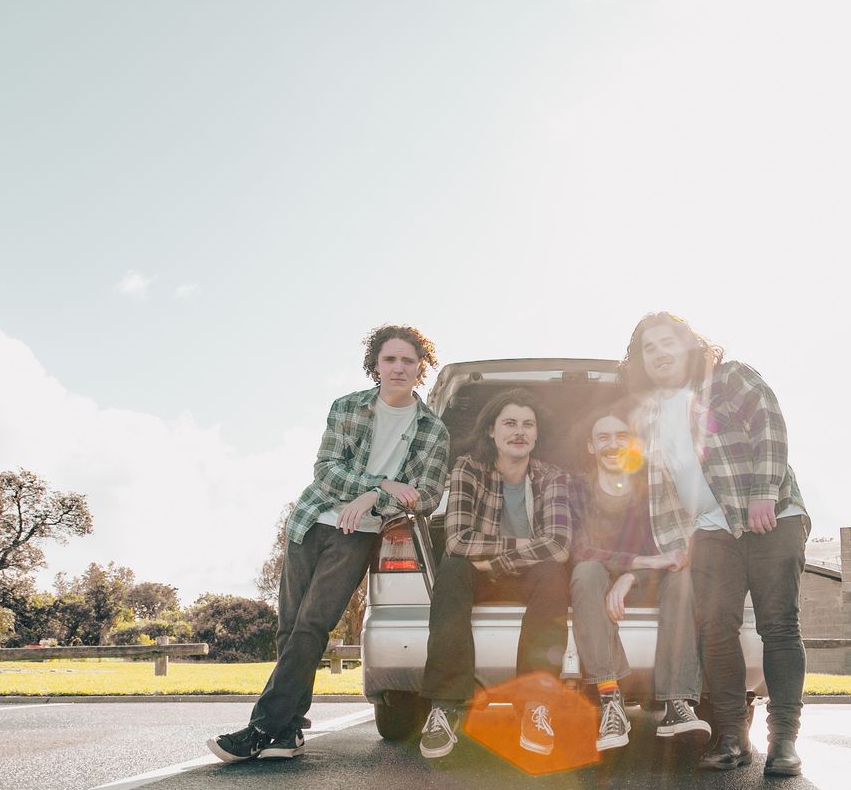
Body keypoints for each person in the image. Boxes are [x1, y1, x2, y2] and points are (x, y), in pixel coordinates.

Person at [208, 325, 449, 762]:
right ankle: (290, 731)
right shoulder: (348, 408)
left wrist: (373, 498)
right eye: (390, 359)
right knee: (290, 627)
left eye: (408, 360)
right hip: (309, 522)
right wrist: (383, 484)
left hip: (359, 534)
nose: (398, 367)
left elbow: (426, 495)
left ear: (421, 368)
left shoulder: (433, 431)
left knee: (313, 625)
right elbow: (326, 470)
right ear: (375, 365)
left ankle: (261, 728)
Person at [621, 311, 810, 776]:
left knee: (778, 625)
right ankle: (731, 738)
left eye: (668, 342)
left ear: (688, 346)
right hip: (710, 530)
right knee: (715, 629)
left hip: (770, 518)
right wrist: (674, 543)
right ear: (640, 360)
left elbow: (770, 425)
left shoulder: (729, 378)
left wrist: (765, 490)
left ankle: (783, 741)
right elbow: (661, 491)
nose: (660, 353)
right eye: (649, 347)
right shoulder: (648, 415)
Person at [418, 391, 574, 760]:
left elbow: (559, 547)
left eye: (527, 424)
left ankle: (536, 709)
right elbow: (456, 541)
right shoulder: (468, 468)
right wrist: (523, 545)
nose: (519, 432)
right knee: (452, 569)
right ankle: (444, 707)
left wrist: (496, 561)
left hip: (515, 573)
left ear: (536, 434)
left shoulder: (553, 477)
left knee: (554, 574)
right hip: (478, 575)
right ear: (491, 430)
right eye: (509, 423)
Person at [568, 407, 711, 751]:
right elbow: (579, 549)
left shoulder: (651, 487)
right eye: (603, 437)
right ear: (591, 446)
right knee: (585, 572)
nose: (612, 444)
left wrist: (631, 574)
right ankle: (610, 701)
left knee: (681, 578)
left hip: (647, 581)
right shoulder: (577, 487)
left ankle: (678, 705)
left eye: (621, 436)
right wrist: (636, 561)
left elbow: (669, 548)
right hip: (598, 580)